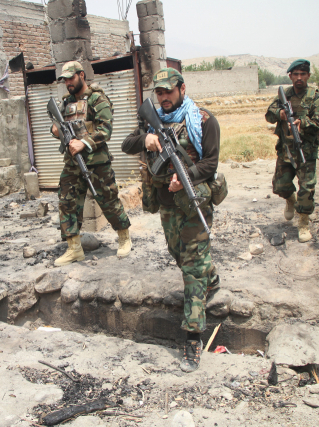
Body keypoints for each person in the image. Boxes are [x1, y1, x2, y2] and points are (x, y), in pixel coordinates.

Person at [121, 68, 220, 373]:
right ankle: (211, 277)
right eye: (159, 93)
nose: (163, 97)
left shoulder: (203, 120)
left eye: (168, 91)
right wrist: (147, 140)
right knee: (179, 254)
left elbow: (211, 163)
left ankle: (192, 339)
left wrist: (184, 176)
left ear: (182, 88)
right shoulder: (149, 123)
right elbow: (126, 144)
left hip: (193, 204)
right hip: (166, 205)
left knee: (191, 268)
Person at [50, 61, 131, 266]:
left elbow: (106, 130)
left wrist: (84, 143)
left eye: (71, 78)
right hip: (72, 162)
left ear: (82, 76)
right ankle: (74, 248)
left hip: (97, 162)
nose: (68, 82)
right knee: (67, 202)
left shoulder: (97, 98)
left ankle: (124, 237)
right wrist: (56, 131)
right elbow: (58, 127)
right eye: (65, 79)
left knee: (108, 199)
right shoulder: (66, 102)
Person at [265, 59, 319, 243]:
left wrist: (303, 123)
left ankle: (303, 222)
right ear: (290, 76)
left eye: (303, 74)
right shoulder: (284, 95)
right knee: (280, 186)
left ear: (308, 76)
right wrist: (281, 114)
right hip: (286, 150)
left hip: (306, 151)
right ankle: (291, 201)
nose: (299, 77)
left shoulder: (316, 97)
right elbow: (269, 114)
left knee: (307, 189)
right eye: (296, 74)